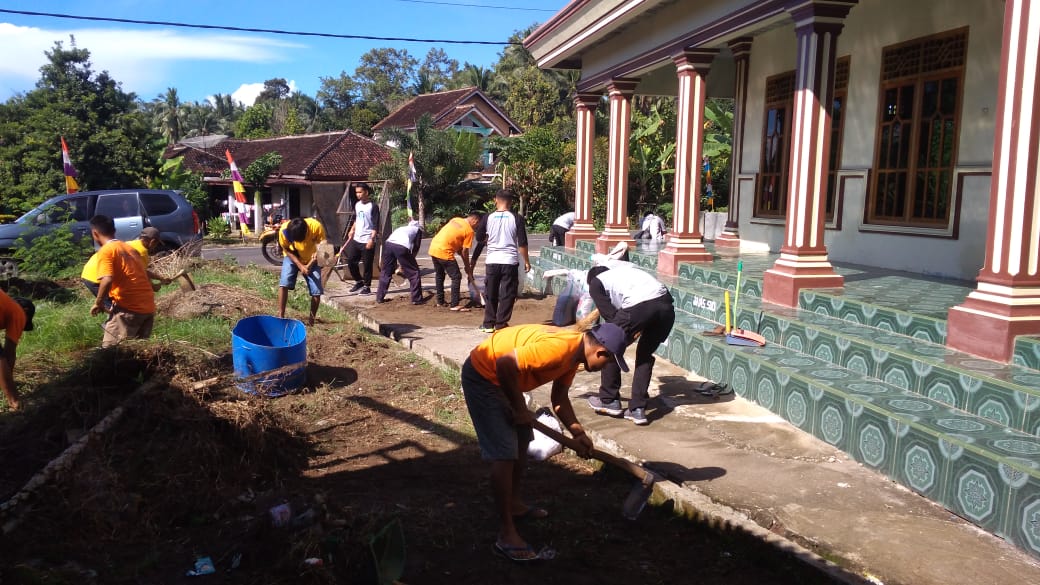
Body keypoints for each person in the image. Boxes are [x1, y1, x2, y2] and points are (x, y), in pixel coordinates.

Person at [461, 321, 628, 562]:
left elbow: (559, 399)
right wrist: (519, 409)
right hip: (484, 376)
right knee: (504, 453)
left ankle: (515, 504)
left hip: (504, 379)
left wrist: (578, 434)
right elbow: (505, 363)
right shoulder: (561, 348)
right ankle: (506, 533)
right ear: (600, 352)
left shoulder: (574, 356)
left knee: (520, 443)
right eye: (609, 361)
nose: (606, 366)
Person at [586, 259, 675, 425]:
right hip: (666, 307)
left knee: (608, 345)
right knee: (645, 354)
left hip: (642, 305)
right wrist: (633, 328)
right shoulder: (624, 275)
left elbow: (611, 320)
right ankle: (637, 409)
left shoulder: (596, 283)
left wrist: (625, 336)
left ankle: (608, 399)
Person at [88, 215, 157, 347]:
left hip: (129, 309)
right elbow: (143, 272)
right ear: (114, 230)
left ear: (95, 233)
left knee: (111, 352)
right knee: (138, 352)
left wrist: (98, 303)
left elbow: (107, 279)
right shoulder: (129, 248)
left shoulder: (106, 251)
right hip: (148, 306)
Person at [471, 189, 530, 333]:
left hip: (492, 261)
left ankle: (488, 324)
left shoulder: (487, 217)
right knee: (508, 293)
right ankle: (501, 323)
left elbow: (478, 237)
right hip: (509, 261)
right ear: (511, 202)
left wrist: (489, 241)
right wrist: (527, 261)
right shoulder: (517, 218)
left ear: (495, 200)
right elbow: (522, 243)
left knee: (491, 292)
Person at [277, 217, 327, 326]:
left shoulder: (316, 227)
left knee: (316, 291)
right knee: (284, 283)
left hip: (312, 259)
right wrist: (300, 266)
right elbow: (286, 249)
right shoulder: (284, 231)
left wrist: (317, 257)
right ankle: (280, 317)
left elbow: (324, 247)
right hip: (292, 257)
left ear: (306, 232)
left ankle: (311, 321)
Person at [428, 211, 481, 311]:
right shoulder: (469, 231)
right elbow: (465, 251)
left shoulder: (456, 219)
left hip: (434, 248)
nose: (477, 227)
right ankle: (454, 305)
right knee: (456, 277)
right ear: (475, 221)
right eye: (478, 224)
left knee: (440, 276)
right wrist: (467, 266)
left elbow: (459, 248)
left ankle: (440, 301)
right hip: (444, 251)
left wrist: (466, 264)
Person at [375, 219, 425, 305]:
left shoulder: (403, 228)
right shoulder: (418, 230)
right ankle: (416, 299)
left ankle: (379, 297)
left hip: (388, 244)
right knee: (414, 273)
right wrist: (409, 263)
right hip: (401, 246)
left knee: (386, 272)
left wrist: (403, 264)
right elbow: (416, 248)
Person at [344, 182, 381, 295]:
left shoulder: (373, 206)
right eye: (356, 192)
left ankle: (367, 286)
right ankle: (359, 281)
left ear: (366, 192)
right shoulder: (357, 205)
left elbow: (376, 225)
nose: (358, 195)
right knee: (351, 261)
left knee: (367, 264)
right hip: (357, 239)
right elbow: (357, 219)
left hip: (367, 240)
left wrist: (371, 239)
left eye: (360, 192)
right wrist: (352, 229)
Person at [0, 290, 34, 411]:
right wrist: (8, 378)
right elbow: (9, 352)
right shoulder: (19, 312)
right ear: (26, 311)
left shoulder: (4, 304)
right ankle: (15, 402)